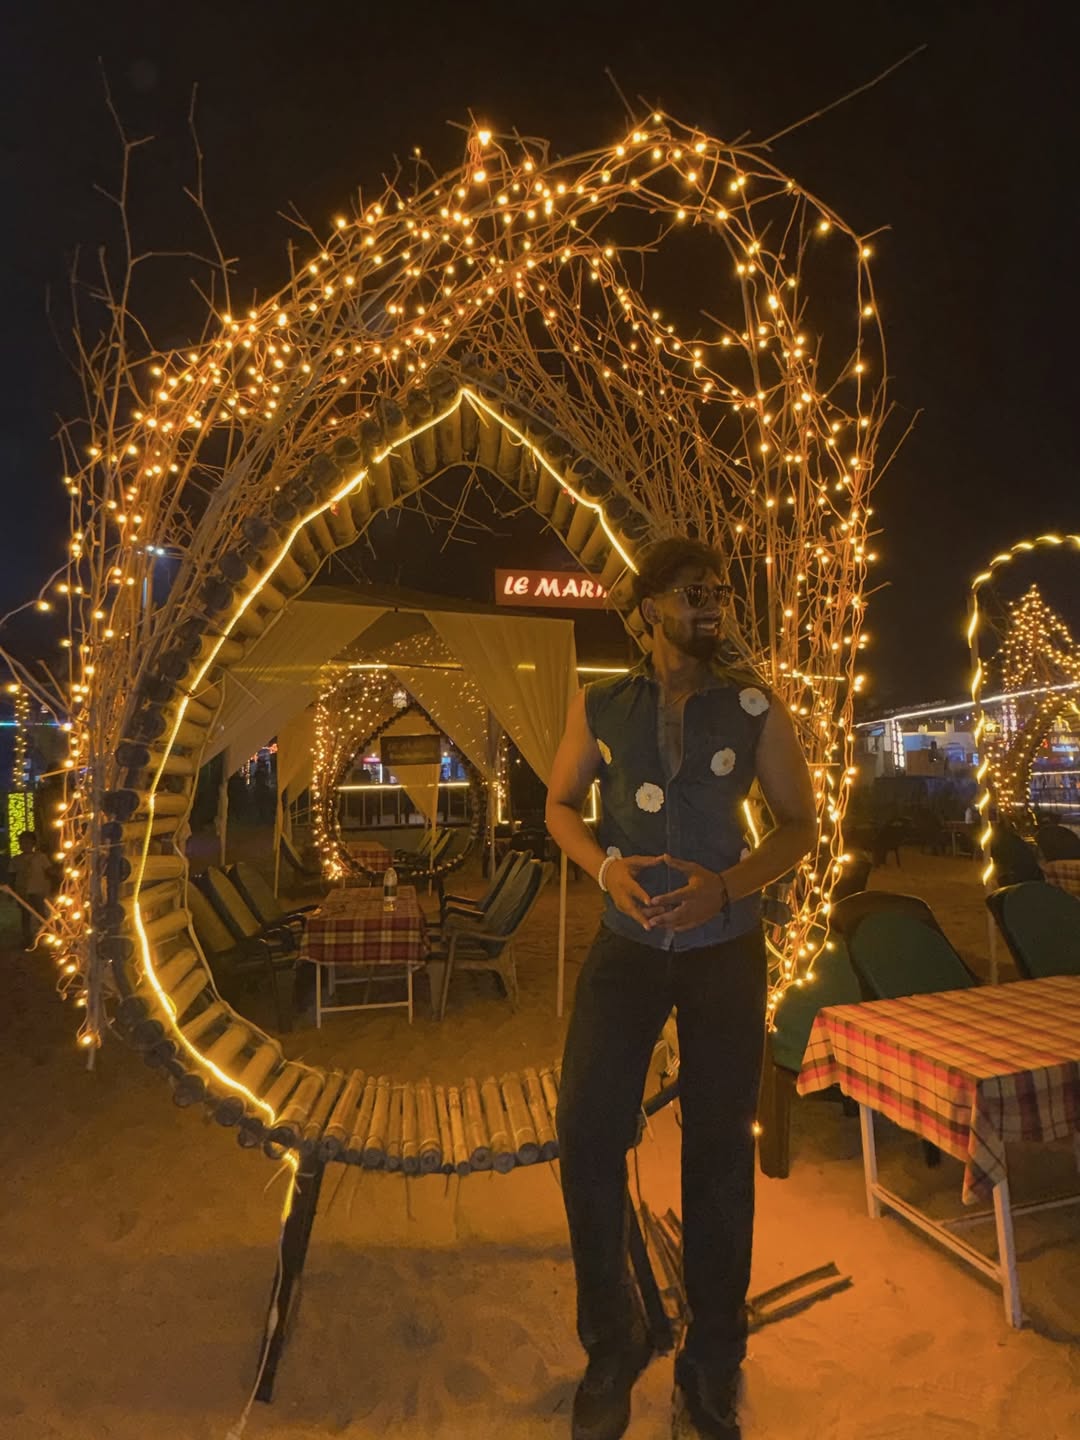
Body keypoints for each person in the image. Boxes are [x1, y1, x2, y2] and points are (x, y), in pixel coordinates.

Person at [546, 537, 817, 1440]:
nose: (712, 606)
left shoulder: (754, 708)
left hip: (724, 950)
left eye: (720, 593)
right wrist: (603, 868)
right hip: (627, 944)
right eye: (694, 592)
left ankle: (711, 1361)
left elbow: (799, 825)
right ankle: (613, 1344)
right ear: (648, 609)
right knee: (588, 1129)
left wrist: (727, 888)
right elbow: (559, 804)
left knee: (719, 1151)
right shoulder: (600, 704)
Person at [12, 830, 55, 949]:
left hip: (38, 890)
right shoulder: (16, 859)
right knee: (25, 916)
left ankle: (45, 936)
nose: (24, 845)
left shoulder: (40, 857)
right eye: (22, 842)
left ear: (33, 844)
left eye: (27, 842)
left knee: (41, 914)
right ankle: (27, 938)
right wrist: (12, 892)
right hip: (22, 891)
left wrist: (54, 880)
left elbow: (49, 871)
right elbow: (13, 875)